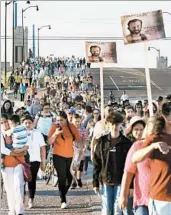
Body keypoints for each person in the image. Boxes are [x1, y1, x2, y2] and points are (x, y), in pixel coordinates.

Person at [132, 101, 171, 215]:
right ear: (165, 116)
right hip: (161, 197)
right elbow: (135, 158)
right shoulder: (154, 138)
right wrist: (153, 146)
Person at [93, 111, 132, 215]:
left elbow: (131, 166)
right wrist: (95, 182)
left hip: (120, 182)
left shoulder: (127, 143)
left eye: (117, 123)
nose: (114, 126)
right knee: (106, 211)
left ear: (121, 124)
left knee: (117, 210)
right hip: (105, 181)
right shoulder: (102, 141)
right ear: (108, 125)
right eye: (112, 124)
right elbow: (97, 163)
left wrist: (130, 186)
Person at [48, 111, 80, 209]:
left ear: (66, 119)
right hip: (58, 155)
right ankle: (63, 200)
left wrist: (78, 157)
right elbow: (49, 142)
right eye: (57, 120)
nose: (59, 122)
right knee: (62, 176)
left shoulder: (72, 127)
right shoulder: (54, 127)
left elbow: (77, 140)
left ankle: (62, 193)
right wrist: (55, 134)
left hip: (70, 156)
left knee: (69, 178)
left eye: (61, 120)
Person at [1, 114, 29, 215]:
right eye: (1, 122)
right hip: (6, 164)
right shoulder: (2, 134)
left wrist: (23, 150)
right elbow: (3, 149)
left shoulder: (17, 129)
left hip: (19, 162)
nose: (4, 124)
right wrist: (19, 151)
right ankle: (12, 209)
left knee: (19, 186)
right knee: (9, 188)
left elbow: (26, 144)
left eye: (5, 121)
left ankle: (20, 210)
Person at [22, 115, 46, 209]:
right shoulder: (19, 133)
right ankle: (22, 199)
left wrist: (43, 162)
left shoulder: (37, 133)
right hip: (22, 160)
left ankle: (31, 199)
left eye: (29, 123)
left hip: (35, 160)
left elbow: (42, 148)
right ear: (22, 123)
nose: (27, 125)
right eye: (25, 123)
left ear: (33, 123)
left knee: (32, 180)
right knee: (21, 181)